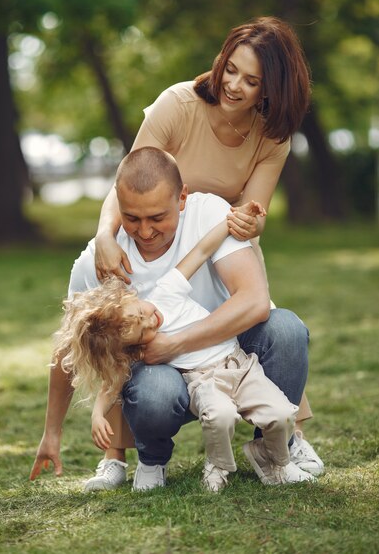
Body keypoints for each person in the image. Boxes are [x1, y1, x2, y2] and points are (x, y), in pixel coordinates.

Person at [91, 16, 323, 478]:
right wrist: (103, 235)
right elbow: (129, 182)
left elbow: (254, 210)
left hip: (217, 246)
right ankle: (116, 454)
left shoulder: (271, 135)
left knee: (281, 327)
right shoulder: (177, 104)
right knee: (133, 332)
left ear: (271, 88)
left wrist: (249, 220)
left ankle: (276, 443)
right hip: (154, 243)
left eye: (251, 80)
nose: (234, 85)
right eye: (230, 68)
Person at [30, 147, 314, 491]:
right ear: (117, 205)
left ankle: (271, 450)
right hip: (160, 374)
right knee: (155, 390)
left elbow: (254, 302)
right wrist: (52, 432)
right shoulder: (98, 259)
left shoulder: (207, 213)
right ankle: (152, 461)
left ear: (181, 198)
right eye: (132, 218)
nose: (145, 231)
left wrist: (174, 343)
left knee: (286, 329)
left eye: (156, 217)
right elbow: (69, 347)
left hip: (228, 353)